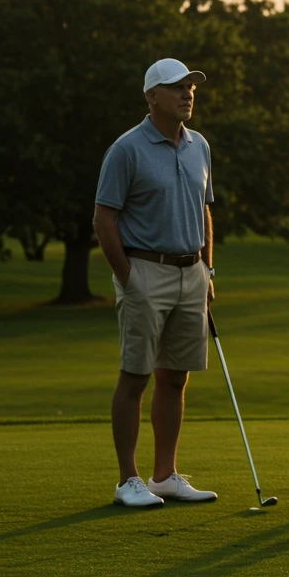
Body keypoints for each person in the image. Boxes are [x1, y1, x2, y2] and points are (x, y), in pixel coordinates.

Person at [94, 58, 219, 507]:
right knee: (135, 376)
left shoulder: (199, 145)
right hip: (145, 270)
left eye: (191, 87)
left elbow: (204, 210)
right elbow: (103, 219)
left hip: (191, 271)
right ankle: (128, 480)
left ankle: (164, 475)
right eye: (177, 87)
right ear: (151, 96)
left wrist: (207, 269)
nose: (187, 94)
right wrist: (128, 278)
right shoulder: (126, 149)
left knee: (175, 377)